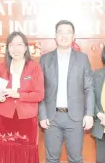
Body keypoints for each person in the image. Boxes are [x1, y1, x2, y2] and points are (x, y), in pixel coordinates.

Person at [39, 20, 95, 163]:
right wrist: (42, 114)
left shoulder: (82, 59)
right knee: (51, 159)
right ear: (55, 36)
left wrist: (89, 114)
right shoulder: (45, 59)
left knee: (76, 159)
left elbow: (89, 88)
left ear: (73, 36)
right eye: (60, 32)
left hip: (75, 118)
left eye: (68, 32)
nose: (64, 35)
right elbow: (40, 89)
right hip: (52, 117)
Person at [0, 31, 44, 163]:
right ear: (7, 48)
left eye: (19, 45)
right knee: (5, 154)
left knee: (26, 154)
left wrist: (18, 94)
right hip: (6, 117)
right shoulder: (2, 67)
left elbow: (39, 95)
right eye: (12, 45)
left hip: (26, 118)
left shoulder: (34, 67)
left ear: (26, 48)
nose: (16, 49)